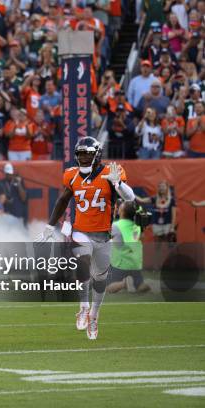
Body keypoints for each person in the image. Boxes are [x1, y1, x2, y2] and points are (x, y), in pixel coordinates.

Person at [37, 137, 136, 340]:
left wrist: (118, 184)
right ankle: (83, 307)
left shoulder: (111, 172)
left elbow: (130, 198)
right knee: (82, 262)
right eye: (80, 154)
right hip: (80, 230)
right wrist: (50, 225)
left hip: (104, 234)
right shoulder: (72, 175)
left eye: (87, 154)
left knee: (100, 279)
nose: (83, 158)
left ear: (97, 154)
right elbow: (63, 200)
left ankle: (94, 315)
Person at [108, 201, 151, 294]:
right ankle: (140, 284)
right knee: (139, 284)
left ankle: (124, 284)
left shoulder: (116, 225)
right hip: (136, 261)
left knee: (108, 288)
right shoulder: (137, 226)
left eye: (120, 207)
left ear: (122, 212)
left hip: (121, 262)